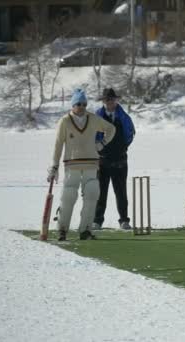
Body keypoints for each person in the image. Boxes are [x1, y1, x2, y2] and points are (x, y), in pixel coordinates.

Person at [47, 88, 116, 241]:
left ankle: (85, 230)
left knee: (92, 194)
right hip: (72, 164)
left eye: (84, 104)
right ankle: (62, 229)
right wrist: (54, 166)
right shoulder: (65, 121)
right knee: (69, 196)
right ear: (73, 105)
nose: (82, 107)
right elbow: (58, 144)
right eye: (78, 104)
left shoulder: (93, 118)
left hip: (91, 163)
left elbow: (111, 129)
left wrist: (101, 144)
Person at [92, 88, 135, 230]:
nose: (109, 102)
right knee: (100, 192)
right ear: (103, 101)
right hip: (102, 160)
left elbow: (130, 134)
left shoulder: (124, 116)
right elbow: (92, 136)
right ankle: (97, 221)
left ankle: (124, 220)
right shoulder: (97, 116)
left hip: (120, 160)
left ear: (116, 100)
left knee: (121, 192)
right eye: (107, 100)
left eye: (112, 99)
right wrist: (99, 149)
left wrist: (121, 148)